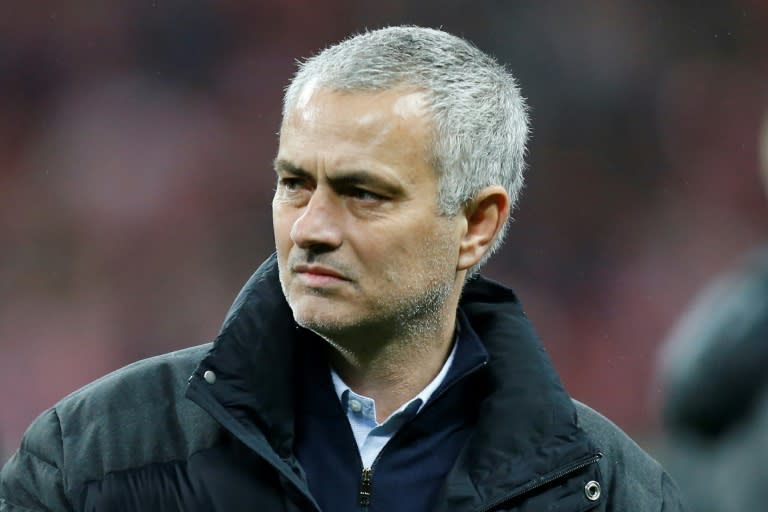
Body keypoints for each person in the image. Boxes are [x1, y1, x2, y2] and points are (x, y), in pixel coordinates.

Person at [0, 26, 685, 511]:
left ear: (477, 225)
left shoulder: (611, 491)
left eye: (363, 193)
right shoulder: (94, 456)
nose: (311, 228)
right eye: (295, 184)